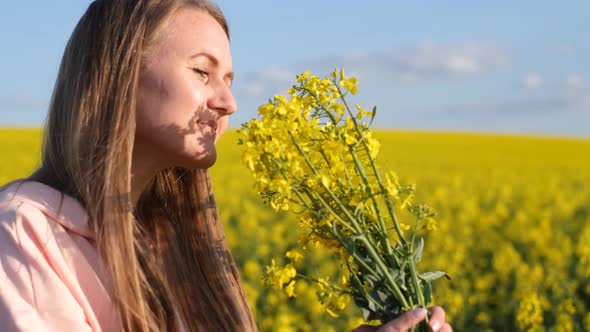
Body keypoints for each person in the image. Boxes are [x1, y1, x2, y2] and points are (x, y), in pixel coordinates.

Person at [0, 1, 452, 331]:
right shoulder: (24, 234)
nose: (229, 102)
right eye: (202, 72)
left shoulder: (173, 242)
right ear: (120, 73)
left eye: (230, 80)